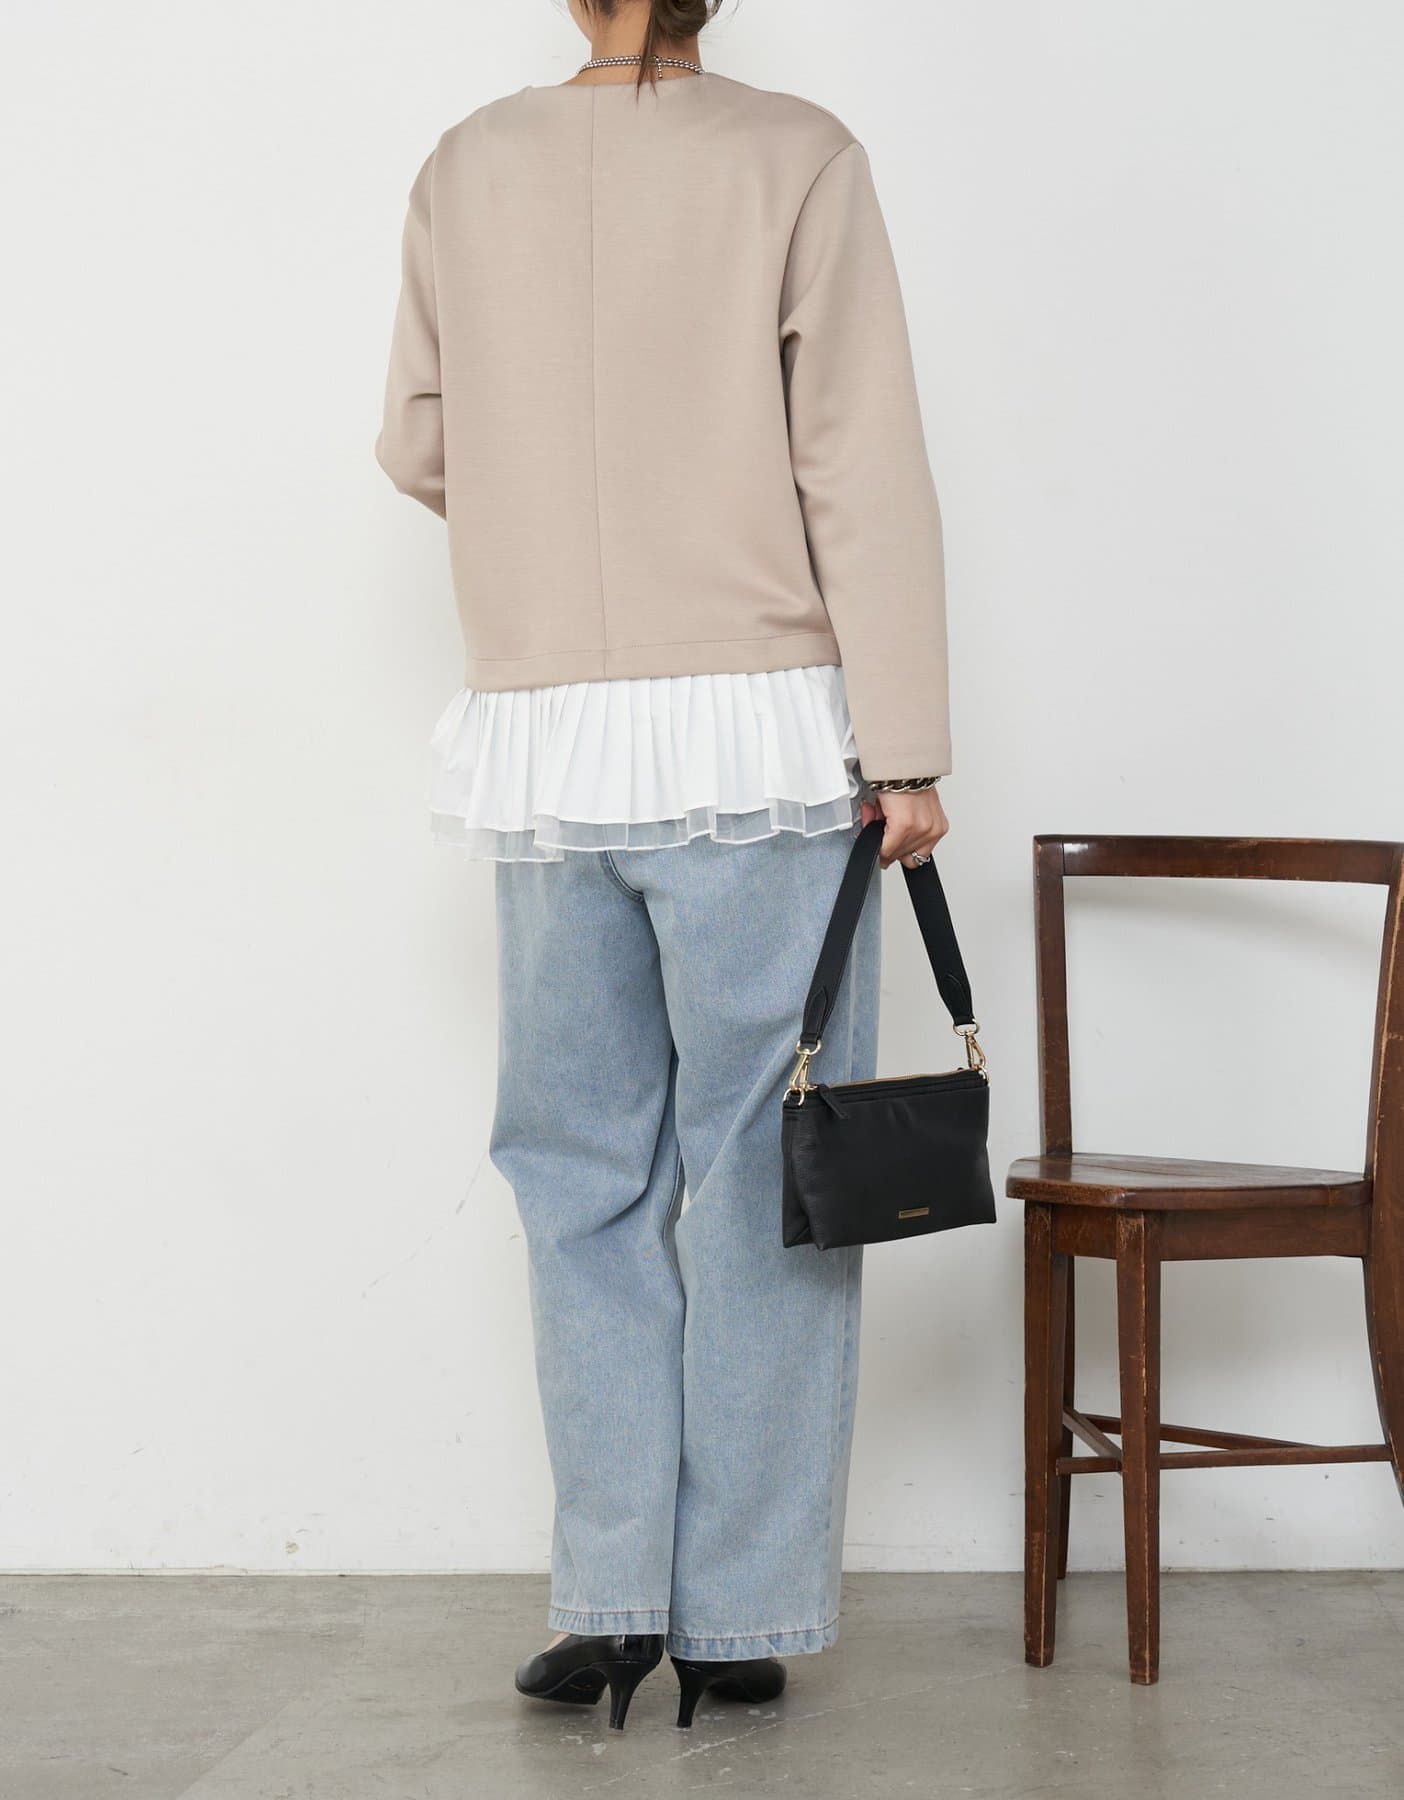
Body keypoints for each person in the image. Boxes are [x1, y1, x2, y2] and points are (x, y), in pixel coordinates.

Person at [376, 0, 952, 1732]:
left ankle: (610, 1601)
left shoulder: (468, 166)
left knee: (577, 1172)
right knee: (764, 1167)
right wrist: (906, 744)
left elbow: (418, 441)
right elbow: (856, 456)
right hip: (759, 746)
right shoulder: (795, 156)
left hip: (548, 739)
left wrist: (554, 537)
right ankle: (738, 1613)